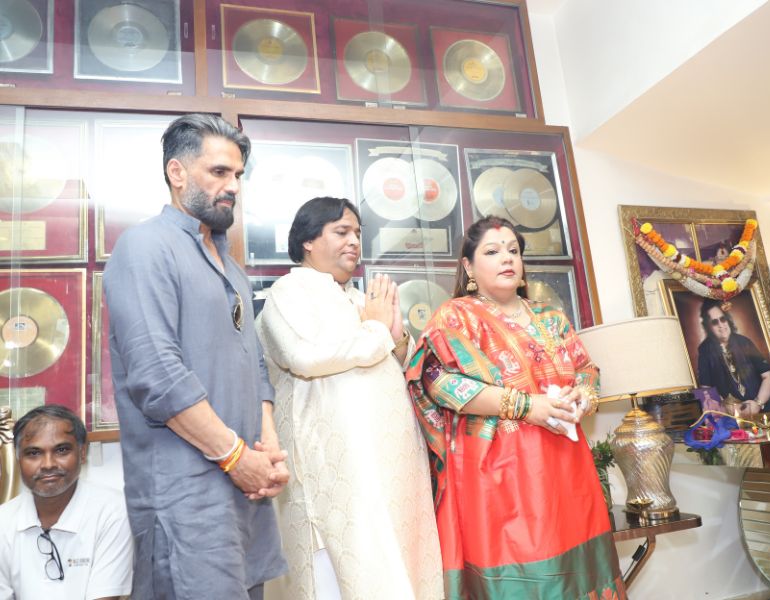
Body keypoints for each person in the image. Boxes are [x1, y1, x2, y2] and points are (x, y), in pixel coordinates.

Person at [103, 113, 288, 600]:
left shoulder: (232, 268)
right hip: (186, 498)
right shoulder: (145, 246)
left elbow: (256, 366)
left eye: (238, 175)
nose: (234, 187)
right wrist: (236, 457)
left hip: (246, 494)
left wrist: (266, 449)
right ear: (177, 172)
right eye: (219, 172)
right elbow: (157, 376)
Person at [406, 216, 626, 599]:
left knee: (578, 573)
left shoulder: (551, 318)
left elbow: (586, 369)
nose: (507, 258)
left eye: (513, 250)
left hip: (566, 466)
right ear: (468, 267)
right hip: (498, 473)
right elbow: (438, 382)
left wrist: (583, 397)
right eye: (492, 252)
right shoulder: (456, 317)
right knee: (523, 574)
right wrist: (526, 406)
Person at [256, 196, 444, 600]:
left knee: (402, 563)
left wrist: (398, 339)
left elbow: (401, 362)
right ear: (308, 240)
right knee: (347, 572)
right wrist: (377, 331)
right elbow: (303, 357)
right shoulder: (289, 292)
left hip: (391, 465)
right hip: (337, 469)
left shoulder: (360, 298)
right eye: (342, 231)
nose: (355, 241)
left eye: (358, 233)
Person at [0, 405, 133, 599]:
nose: (48, 464)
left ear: (82, 453)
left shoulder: (113, 511)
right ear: (18, 458)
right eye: (34, 453)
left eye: (61, 450)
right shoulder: (4, 520)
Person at [697, 297, 770, 416]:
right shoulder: (704, 350)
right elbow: (706, 389)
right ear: (708, 327)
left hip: (763, 410)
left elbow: (767, 377)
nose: (721, 325)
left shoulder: (745, 342)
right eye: (715, 322)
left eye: (723, 319)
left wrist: (758, 403)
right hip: (731, 417)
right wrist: (725, 408)